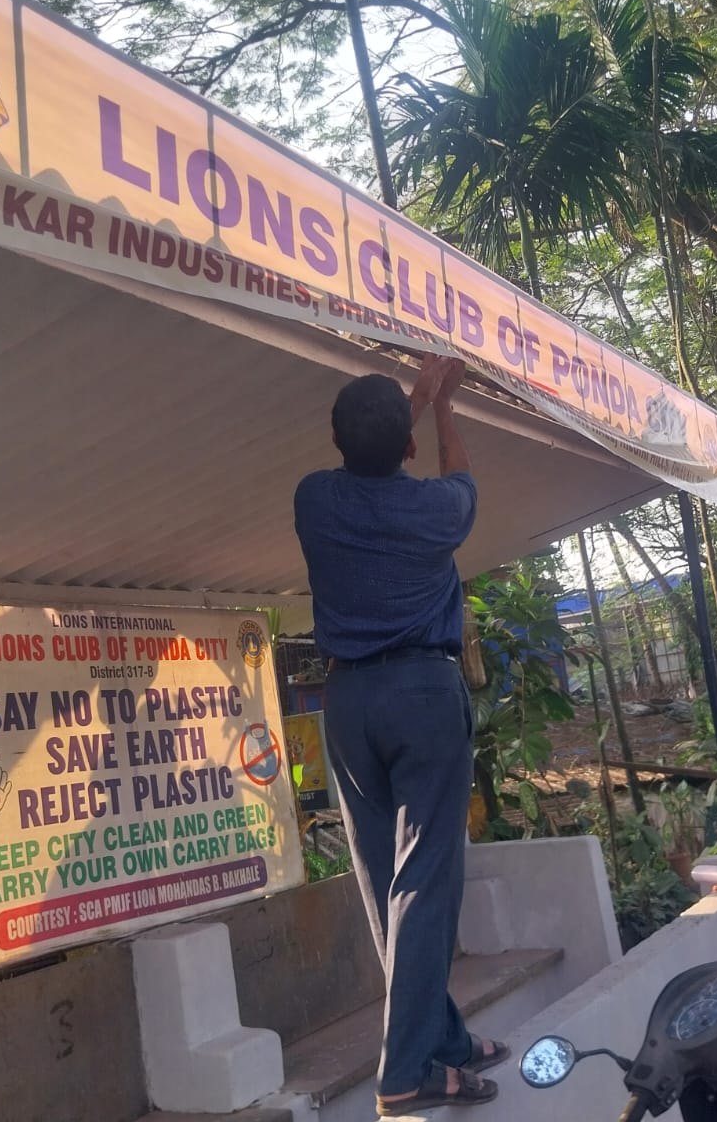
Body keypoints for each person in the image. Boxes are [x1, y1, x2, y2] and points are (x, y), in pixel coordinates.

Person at [293, 354, 505, 1115]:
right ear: (409, 449)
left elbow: (373, 453)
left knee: (386, 881)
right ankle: (405, 1073)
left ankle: (444, 1043)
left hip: (348, 701)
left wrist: (412, 400)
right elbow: (461, 470)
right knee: (425, 878)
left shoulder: (315, 500)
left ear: (335, 440)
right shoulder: (437, 511)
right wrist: (441, 404)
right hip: (421, 692)